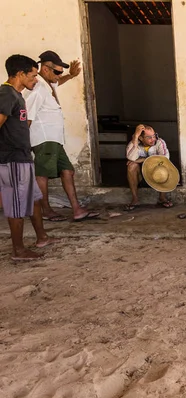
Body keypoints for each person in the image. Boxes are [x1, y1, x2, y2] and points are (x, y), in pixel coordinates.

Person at [24, 50, 99, 222]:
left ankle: (77, 209)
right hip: (44, 139)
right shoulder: (37, 90)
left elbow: (59, 83)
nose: (59, 76)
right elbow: (27, 118)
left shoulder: (48, 84)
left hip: (54, 139)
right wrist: (22, 142)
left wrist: (71, 76)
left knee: (68, 171)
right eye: (57, 72)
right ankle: (46, 211)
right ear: (45, 69)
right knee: (42, 174)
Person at [0, 55, 59, 261]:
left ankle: (41, 237)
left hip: (23, 156)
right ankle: (18, 250)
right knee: (16, 203)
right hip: (12, 158)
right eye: (33, 75)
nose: (36, 79)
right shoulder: (6, 94)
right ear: (20, 74)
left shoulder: (17, 95)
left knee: (34, 198)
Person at [125, 124, 173, 209]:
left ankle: (162, 198)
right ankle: (135, 199)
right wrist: (135, 137)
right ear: (141, 138)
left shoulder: (159, 142)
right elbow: (130, 157)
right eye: (149, 137)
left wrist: (143, 159)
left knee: (165, 166)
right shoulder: (135, 142)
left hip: (155, 176)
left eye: (154, 136)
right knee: (131, 166)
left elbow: (165, 158)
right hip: (141, 176)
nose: (153, 139)